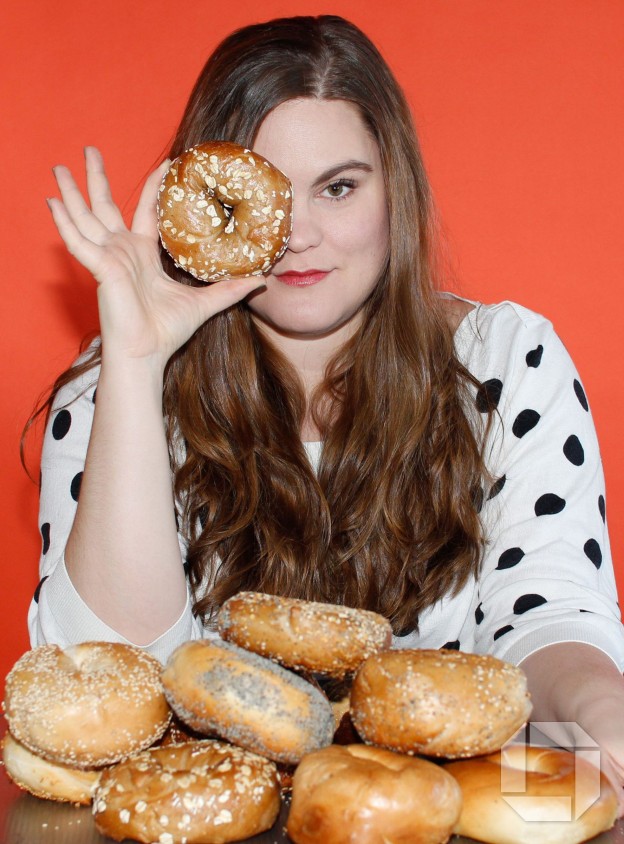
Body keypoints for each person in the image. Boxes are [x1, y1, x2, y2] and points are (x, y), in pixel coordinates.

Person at [29, 15, 624, 806]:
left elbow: (545, 613)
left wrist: (600, 713)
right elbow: (111, 691)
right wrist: (137, 365)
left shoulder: (505, 363)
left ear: (394, 190)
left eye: (338, 188)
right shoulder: (110, 392)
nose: (301, 236)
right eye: (269, 195)